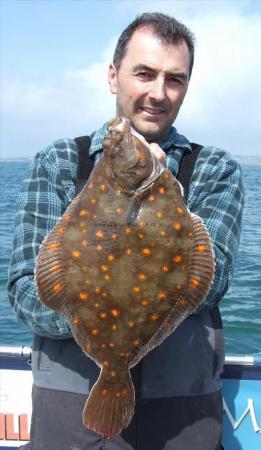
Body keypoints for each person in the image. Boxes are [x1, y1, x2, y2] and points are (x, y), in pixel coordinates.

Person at [7, 12, 244, 450]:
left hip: (181, 409)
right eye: (144, 73)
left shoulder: (215, 168)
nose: (158, 92)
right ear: (114, 76)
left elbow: (211, 284)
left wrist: (163, 196)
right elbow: (24, 290)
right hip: (68, 404)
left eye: (174, 79)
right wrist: (93, 322)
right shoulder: (58, 161)